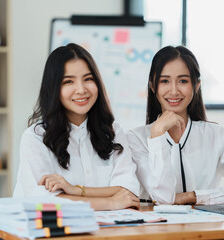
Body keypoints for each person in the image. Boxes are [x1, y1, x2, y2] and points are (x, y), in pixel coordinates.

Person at [13, 43, 140, 210]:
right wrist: (110, 202)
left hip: (106, 232)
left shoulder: (113, 131)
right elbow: (45, 202)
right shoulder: (35, 138)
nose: (81, 89)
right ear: (54, 89)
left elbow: (129, 191)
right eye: (68, 82)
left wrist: (74, 190)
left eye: (88, 79)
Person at [127, 46, 224, 205]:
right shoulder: (136, 138)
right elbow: (162, 197)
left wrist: (194, 196)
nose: (174, 91)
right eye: (164, 81)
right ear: (152, 86)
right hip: (158, 227)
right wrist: (157, 133)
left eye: (183, 81)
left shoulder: (215, 134)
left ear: (197, 85)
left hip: (206, 226)